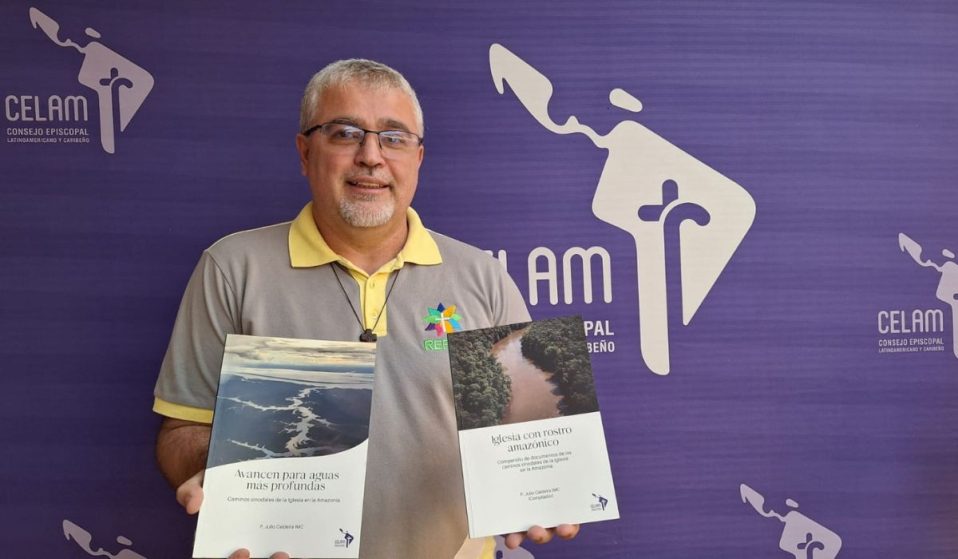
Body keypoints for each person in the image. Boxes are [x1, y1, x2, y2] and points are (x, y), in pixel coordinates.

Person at [153, 58, 579, 559]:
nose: (371, 157)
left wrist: (546, 489)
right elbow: (182, 429)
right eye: (345, 134)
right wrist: (216, 472)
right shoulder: (233, 268)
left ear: (418, 157)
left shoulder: (482, 276)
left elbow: (530, 427)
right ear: (304, 152)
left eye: (393, 138)